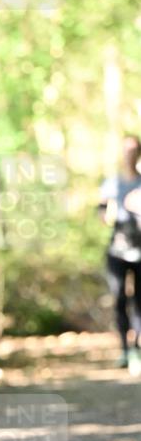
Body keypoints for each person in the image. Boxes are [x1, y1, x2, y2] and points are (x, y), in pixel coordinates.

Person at [98, 134, 141, 374]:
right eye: (125, 149)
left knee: (139, 302)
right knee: (119, 300)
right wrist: (108, 211)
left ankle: (137, 348)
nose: (129, 153)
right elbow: (102, 213)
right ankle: (125, 348)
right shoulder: (111, 184)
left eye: (133, 149)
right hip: (117, 249)